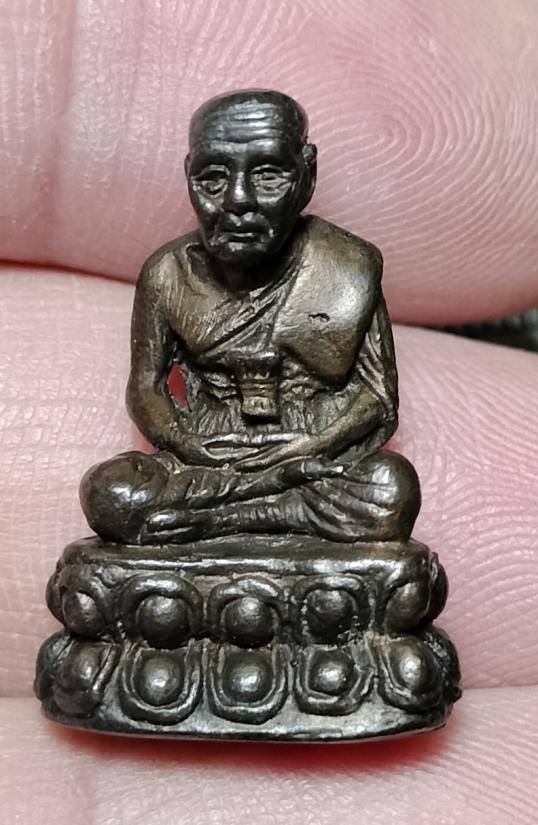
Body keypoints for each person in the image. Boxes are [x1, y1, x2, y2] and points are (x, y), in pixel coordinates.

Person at [80, 90, 420, 545]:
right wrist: (187, 444)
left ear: (307, 175)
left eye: (268, 175)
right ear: (188, 174)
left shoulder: (346, 266)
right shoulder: (168, 274)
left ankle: (224, 521)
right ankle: (272, 508)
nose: (238, 200)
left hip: (314, 453)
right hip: (210, 454)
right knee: (110, 491)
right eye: (213, 179)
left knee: (390, 487)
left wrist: (312, 446)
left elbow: (378, 398)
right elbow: (146, 387)